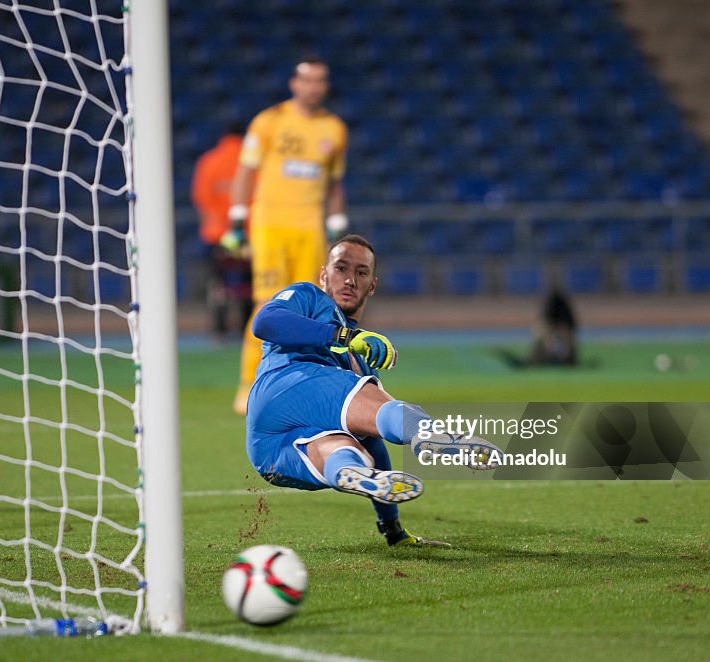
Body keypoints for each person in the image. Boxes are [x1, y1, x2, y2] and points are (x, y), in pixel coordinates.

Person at [245, 235, 502, 547]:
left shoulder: (359, 367)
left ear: (373, 285)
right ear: (323, 274)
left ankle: (351, 472)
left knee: (347, 449)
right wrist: (340, 334)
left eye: (361, 272)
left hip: (270, 454)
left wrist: (392, 527)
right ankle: (432, 433)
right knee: (380, 402)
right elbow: (265, 321)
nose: (350, 279)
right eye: (341, 268)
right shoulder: (309, 297)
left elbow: (377, 447)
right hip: (284, 384)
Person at [223, 56, 350, 415]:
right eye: (307, 80)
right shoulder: (269, 122)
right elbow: (246, 173)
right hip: (270, 224)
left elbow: (335, 183)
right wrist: (237, 220)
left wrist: (337, 224)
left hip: (310, 226)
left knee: (313, 308)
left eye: (320, 81)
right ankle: (250, 384)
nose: (313, 87)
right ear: (294, 83)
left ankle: (306, 382)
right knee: (267, 304)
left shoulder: (335, 129)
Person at [191, 123, 252, 339]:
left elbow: (201, 199)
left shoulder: (208, 161)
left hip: (216, 235)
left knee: (217, 283)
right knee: (251, 283)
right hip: (247, 234)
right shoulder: (251, 162)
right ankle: (248, 327)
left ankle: (219, 328)